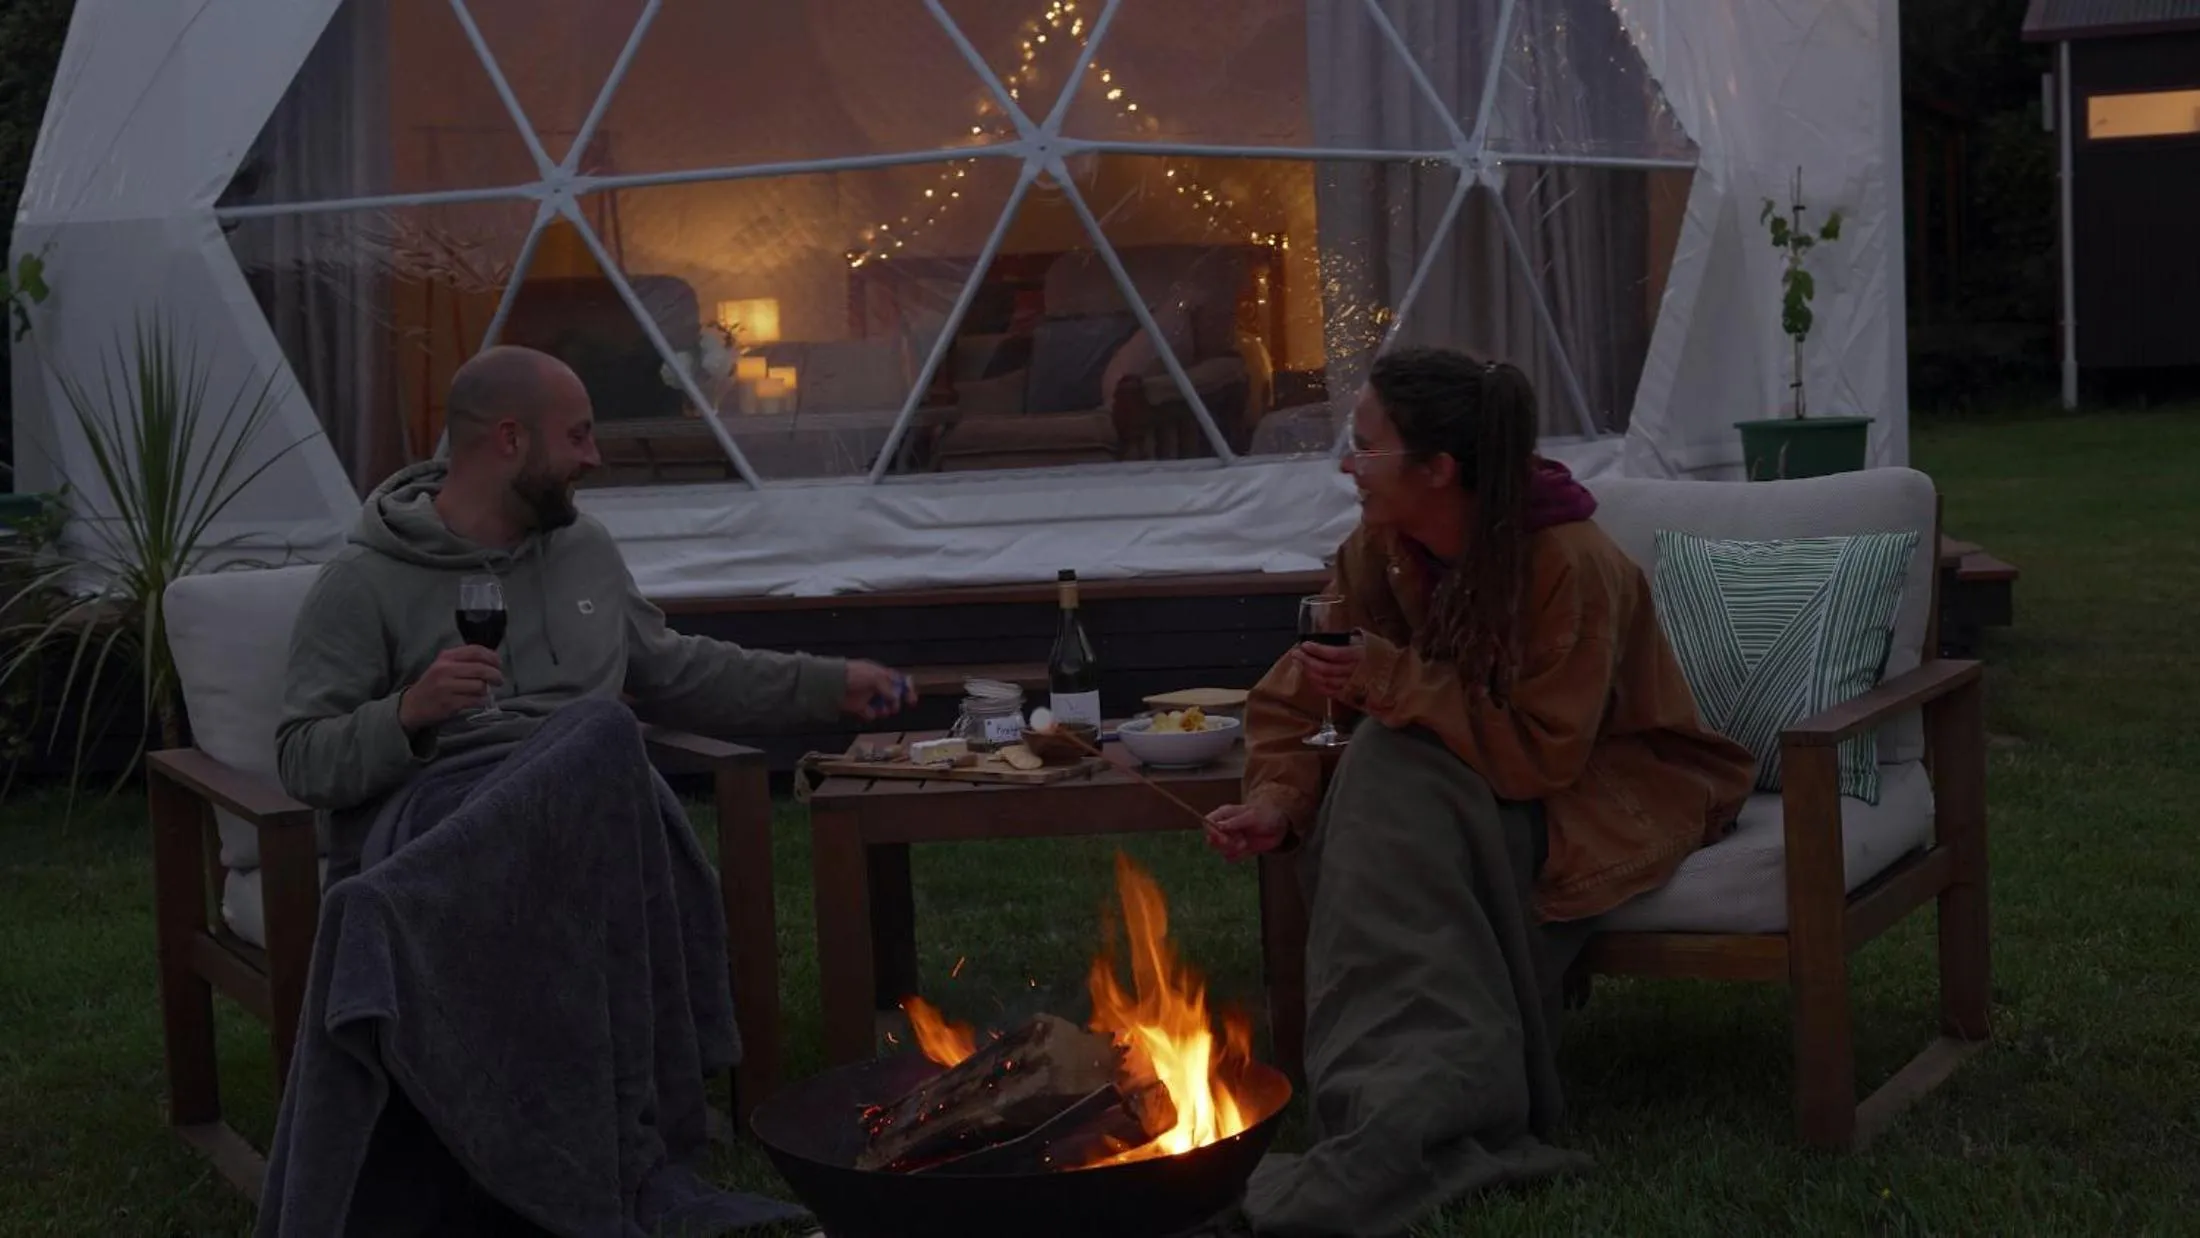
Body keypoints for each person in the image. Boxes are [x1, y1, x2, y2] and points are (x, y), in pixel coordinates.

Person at [1206, 347, 1757, 1236]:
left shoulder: (1567, 564)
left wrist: (1392, 682)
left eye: (1365, 445)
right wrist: (1278, 799)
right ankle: (1405, 1110)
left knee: (1390, 781)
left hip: (1602, 783)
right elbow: (1298, 694)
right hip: (1455, 778)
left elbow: (1544, 756)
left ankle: (1415, 1119)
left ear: (1438, 469)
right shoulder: (1381, 553)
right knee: (1385, 776)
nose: (1347, 465)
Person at [277, 345, 916, 879]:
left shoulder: (585, 550)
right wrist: (407, 713)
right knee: (607, 750)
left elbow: (675, 670)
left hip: (591, 806)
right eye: (578, 436)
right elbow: (303, 758)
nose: (594, 458)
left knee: (605, 746)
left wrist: (828, 685)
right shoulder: (366, 579)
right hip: (444, 819)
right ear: (510, 439)